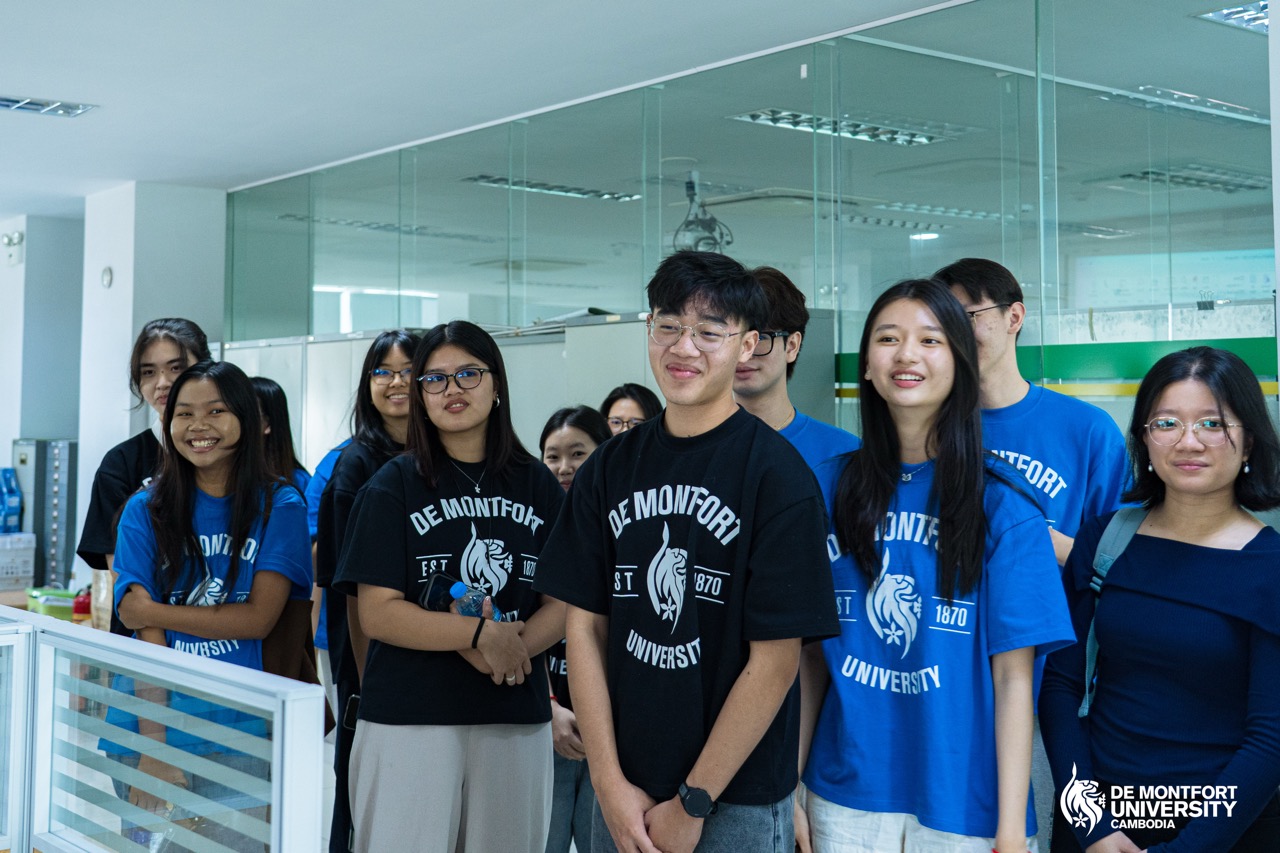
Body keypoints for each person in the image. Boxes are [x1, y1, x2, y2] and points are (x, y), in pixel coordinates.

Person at [535, 250, 839, 853]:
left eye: (709, 332)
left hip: (736, 798)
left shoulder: (779, 477)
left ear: (747, 345)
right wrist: (608, 783)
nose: (684, 347)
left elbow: (775, 663)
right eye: (668, 326)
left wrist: (694, 801)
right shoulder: (608, 469)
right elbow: (585, 628)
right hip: (623, 791)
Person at [797, 278, 1073, 853]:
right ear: (866, 365)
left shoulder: (1006, 506)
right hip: (843, 795)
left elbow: (1014, 679)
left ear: (961, 363)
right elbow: (810, 658)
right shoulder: (825, 490)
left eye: (930, 340)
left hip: (965, 805)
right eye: (888, 338)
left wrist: (1011, 828)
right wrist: (792, 784)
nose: (906, 355)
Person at [333, 320, 566, 851]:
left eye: (468, 374)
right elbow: (378, 613)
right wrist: (481, 637)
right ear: (420, 396)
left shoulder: (539, 485)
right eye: (434, 379)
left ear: (496, 383)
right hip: (410, 719)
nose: (452, 389)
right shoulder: (391, 486)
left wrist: (508, 652)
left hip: (513, 718)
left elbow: (565, 601)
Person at [1040, 346, 1280, 853]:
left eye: (1213, 424)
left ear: (1249, 442)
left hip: (1226, 829)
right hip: (1097, 824)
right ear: (1144, 439)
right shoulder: (1105, 539)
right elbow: (1061, 687)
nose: (1188, 441)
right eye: (1166, 423)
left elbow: (1271, 738)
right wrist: (1090, 824)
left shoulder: (1270, 566)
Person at [112, 360, 312, 851]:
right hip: (146, 726)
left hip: (241, 728)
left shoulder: (280, 505)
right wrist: (154, 748)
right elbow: (147, 639)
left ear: (247, 419)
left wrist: (154, 611)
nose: (198, 425)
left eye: (216, 411)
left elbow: (258, 619)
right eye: (184, 413)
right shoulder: (145, 509)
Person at [933, 259, 1127, 566]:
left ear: (1013, 317)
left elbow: (1119, 559)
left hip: (1051, 596)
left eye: (967, 317)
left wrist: (1043, 543)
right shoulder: (926, 427)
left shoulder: (1088, 429)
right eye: (942, 323)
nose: (954, 334)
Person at [313, 328, 420, 853]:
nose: (396, 383)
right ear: (367, 384)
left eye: (408, 371)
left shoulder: (442, 456)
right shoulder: (354, 465)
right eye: (384, 372)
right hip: (370, 663)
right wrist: (365, 684)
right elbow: (349, 589)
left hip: (433, 654)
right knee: (364, 801)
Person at [78, 317, 211, 634]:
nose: (162, 382)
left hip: (227, 639)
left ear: (206, 369)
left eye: (176, 368)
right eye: (148, 372)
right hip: (142, 640)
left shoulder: (231, 456)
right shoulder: (122, 464)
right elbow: (126, 583)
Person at [539, 405, 612, 853]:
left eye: (578, 453)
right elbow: (519, 628)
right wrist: (549, 708)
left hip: (610, 734)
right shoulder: (531, 529)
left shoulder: (623, 529)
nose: (564, 467)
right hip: (545, 724)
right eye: (552, 456)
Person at [733, 265, 859, 469]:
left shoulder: (843, 454)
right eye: (732, 337)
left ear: (792, 345)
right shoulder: (695, 444)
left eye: (761, 338)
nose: (744, 352)